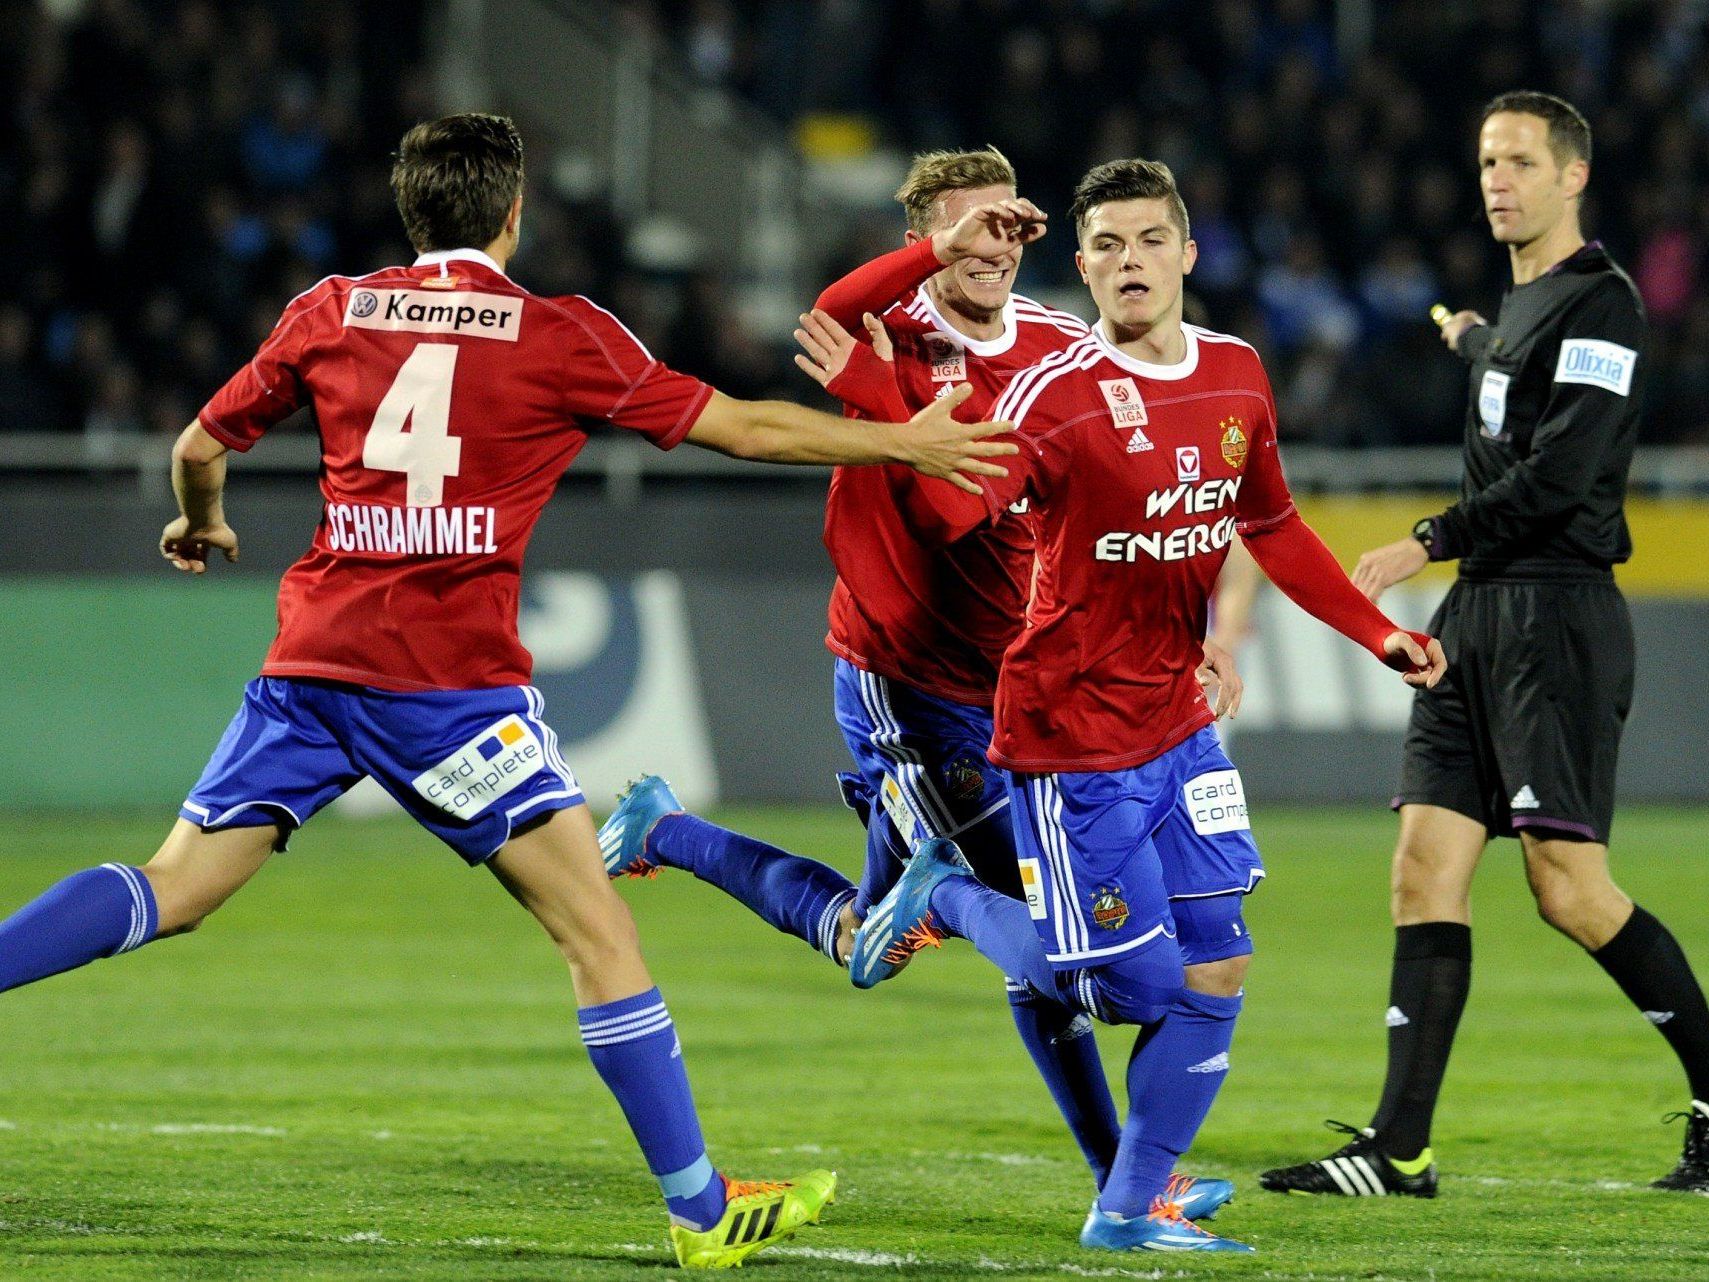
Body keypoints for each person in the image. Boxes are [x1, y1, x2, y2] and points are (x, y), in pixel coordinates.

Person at [0, 113, 1020, 1270]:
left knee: (171, 888)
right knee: (598, 932)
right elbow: (743, 427)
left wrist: (202, 519)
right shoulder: (561, 335)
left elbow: (197, 444)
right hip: (448, 693)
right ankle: (699, 1210)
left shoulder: (329, 308)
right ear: (515, 213)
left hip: (313, 670)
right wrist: (907, 446)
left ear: (411, 213)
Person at [596, 148, 1241, 1217]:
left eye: (1002, 223)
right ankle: (1123, 1176)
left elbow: (1129, 491)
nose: (987, 245)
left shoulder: (1052, 341)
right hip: (910, 681)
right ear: (924, 243)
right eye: (960, 230)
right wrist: (913, 295)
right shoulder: (889, 340)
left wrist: (1191, 627)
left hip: (1019, 673)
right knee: (1043, 931)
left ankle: (666, 830)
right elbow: (840, 323)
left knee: (866, 943)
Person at [847, 158, 1446, 1255]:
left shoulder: (1235, 374)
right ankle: (948, 899)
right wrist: (887, 403)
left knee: (1218, 965)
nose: (1128, 263)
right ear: (1080, 267)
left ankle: (1125, 1208)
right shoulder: (1049, 398)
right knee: (1130, 992)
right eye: (1106, 247)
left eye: (1147, 241)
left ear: (1186, 252)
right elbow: (945, 515)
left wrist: (1380, 635)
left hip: (1177, 721)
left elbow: (1268, 528)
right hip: (1072, 736)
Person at [1261, 90, 1709, 1199]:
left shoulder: (1601, 306)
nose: (1493, 180)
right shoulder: (1516, 311)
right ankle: (1395, 1149)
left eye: (1516, 161)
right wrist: (1467, 338)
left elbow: (1562, 468)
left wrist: (1431, 536)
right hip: (1476, 621)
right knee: (1420, 869)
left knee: (1569, 890)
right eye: (1481, 162)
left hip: (1553, 616)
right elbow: (1504, 376)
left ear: (1570, 178)